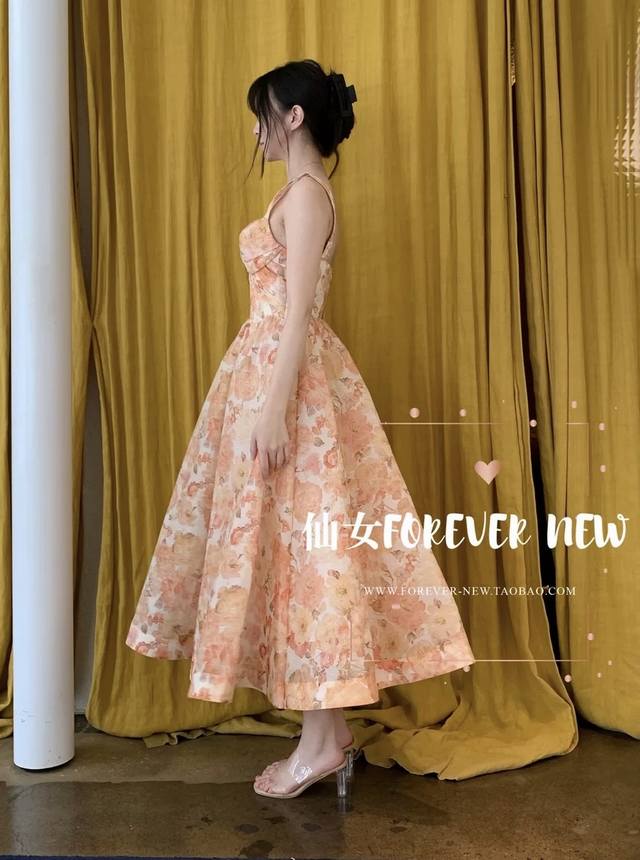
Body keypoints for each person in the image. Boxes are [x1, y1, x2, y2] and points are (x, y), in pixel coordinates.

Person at [125, 59, 476, 800]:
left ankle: (320, 743)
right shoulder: (296, 193)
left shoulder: (310, 194)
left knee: (311, 561)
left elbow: (295, 317)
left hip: (292, 387)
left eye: (264, 114)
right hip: (271, 380)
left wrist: (275, 406)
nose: (256, 130)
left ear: (293, 117)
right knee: (300, 560)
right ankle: (328, 734)